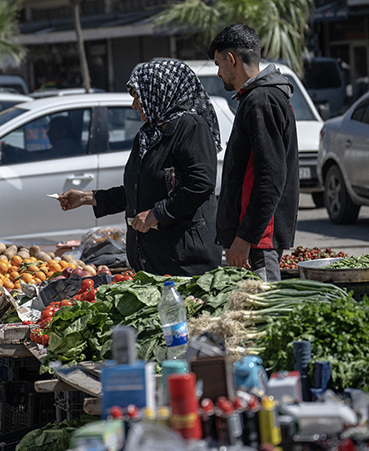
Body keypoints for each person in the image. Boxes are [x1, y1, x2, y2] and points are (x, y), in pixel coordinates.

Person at [58, 59, 223, 276]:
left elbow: (200, 185)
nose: (135, 104)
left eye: (138, 96)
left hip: (185, 261)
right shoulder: (147, 135)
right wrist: (89, 197)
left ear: (160, 92)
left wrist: (157, 213)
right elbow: (138, 191)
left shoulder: (191, 128)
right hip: (152, 261)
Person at [209, 24, 299, 282]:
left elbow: (270, 177)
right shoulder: (257, 98)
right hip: (255, 239)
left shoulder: (262, 100)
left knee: (264, 311)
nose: (218, 73)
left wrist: (246, 236)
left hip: (259, 241)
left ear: (231, 59)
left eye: (218, 64)